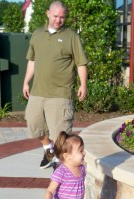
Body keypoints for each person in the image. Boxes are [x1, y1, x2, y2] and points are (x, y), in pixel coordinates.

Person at [23, 1, 88, 169]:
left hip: (60, 93)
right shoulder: (37, 34)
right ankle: (48, 149)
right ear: (47, 14)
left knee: (60, 133)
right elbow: (32, 60)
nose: (59, 20)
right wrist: (26, 81)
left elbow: (81, 63)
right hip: (38, 91)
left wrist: (83, 84)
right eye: (55, 16)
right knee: (33, 123)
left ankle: (60, 165)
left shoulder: (71, 36)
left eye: (62, 17)